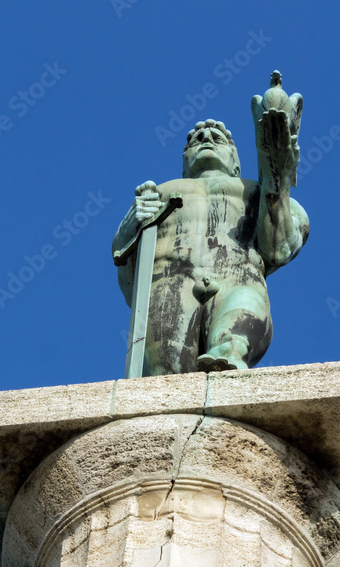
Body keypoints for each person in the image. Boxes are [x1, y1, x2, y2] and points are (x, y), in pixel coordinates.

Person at [112, 110, 309, 374]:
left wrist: (276, 175)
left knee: (234, 339)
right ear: (185, 163)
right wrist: (128, 228)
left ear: (235, 163)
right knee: (165, 376)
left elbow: (279, 249)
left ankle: (227, 361)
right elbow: (128, 277)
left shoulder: (256, 192)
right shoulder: (160, 193)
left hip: (238, 277)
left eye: (218, 138)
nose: (206, 138)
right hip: (171, 285)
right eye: (196, 140)